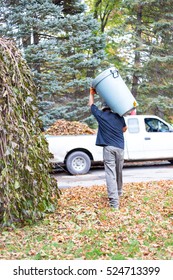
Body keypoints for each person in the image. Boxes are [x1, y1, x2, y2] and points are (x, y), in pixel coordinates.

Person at [89, 87, 127, 209]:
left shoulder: (101, 115)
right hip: (120, 148)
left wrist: (91, 93)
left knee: (110, 173)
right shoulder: (119, 116)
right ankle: (119, 192)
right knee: (119, 171)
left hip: (109, 148)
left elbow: (91, 105)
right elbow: (124, 129)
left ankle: (114, 203)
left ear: (103, 108)